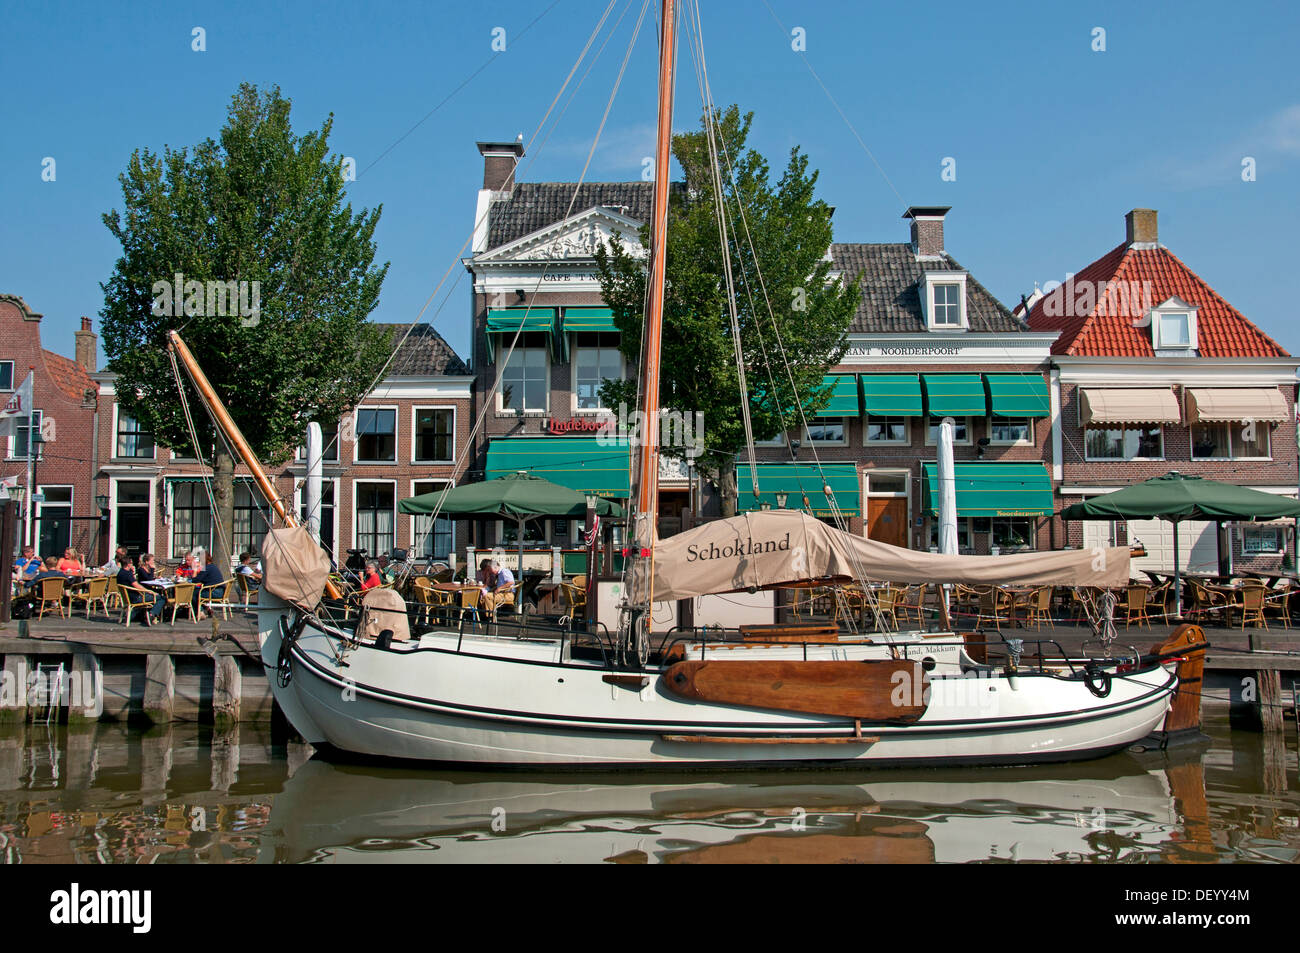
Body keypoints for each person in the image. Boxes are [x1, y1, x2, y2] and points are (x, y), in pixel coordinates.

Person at [117, 557, 164, 626]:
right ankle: (152, 614)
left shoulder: (120, 573)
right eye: (131, 563)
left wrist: (132, 573)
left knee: (155, 595)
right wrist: (149, 591)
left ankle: (141, 615)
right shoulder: (127, 574)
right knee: (161, 598)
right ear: (128, 564)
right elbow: (137, 586)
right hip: (136, 598)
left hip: (127, 598)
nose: (132, 564)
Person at [193, 554, 225, 618]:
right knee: (198, 592)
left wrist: (195, 570)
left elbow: (196, 580)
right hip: (221, 591)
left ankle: (200, 612)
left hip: (214, 592)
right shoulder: (213, 567)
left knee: (194, 594)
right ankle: (207, 609)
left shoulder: (206, 568)